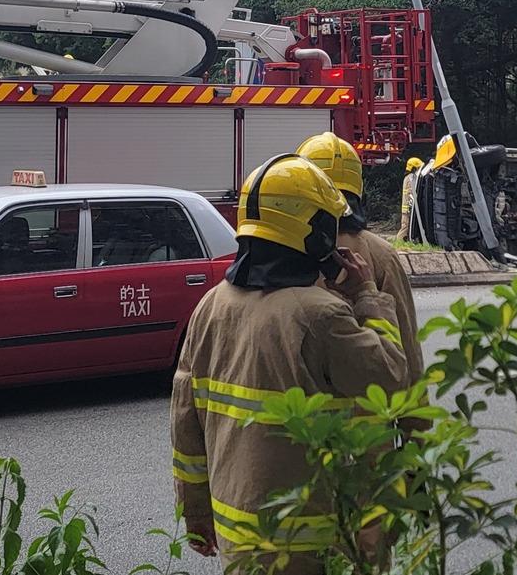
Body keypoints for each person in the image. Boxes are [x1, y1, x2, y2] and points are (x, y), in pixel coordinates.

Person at [169, 156, 408, 571]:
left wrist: (195, 513)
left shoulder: (210, 306)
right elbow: (390, 376)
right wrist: (367, 293)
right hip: (308, 545)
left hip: (236, 537)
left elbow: (186, 424)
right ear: (314, 233)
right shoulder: (321, 316)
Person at [299, 131, 424, 387]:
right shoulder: (381, 254)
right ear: (359, 192)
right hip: (370, 421)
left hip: (301, 421)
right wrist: (415, 423)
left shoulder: (284, 249)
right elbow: (407, 347)